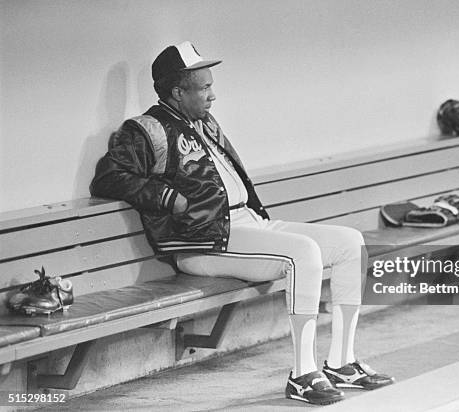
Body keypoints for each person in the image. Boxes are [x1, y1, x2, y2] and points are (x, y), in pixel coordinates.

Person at [90, 41, 394, 405]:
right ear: (176, 91)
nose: (212, 95)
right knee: (303, 253)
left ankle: (342, 361)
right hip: (203, 241)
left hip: (247, 226)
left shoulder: (204, 123)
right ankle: (303, 373)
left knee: (350, 243)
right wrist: (167, 197)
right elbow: (108, 177)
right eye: (204, 87)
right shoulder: (147, 130)